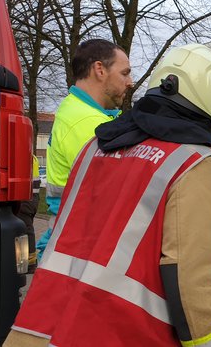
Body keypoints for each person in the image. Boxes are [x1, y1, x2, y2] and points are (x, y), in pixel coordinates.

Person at [6, 44, 211, 346]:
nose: (129, 81)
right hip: (120, 331)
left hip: (38, 327)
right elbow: (192, 281)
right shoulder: (192, 164)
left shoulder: (97, 146)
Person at [36, 38, 133, 261]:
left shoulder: (76, 111)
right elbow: (122, 197)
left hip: (69, 241)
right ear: (99, 69)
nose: (130, 82)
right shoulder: (89, 124)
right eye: (124, 73)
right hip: (79, 252)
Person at [15, 155, 41, 271]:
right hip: (31, 197)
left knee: (24, 228)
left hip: (26, 196)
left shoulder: (25, 156)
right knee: (24, 227)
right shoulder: (31, 157)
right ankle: (27, 261)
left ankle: (28, 262)